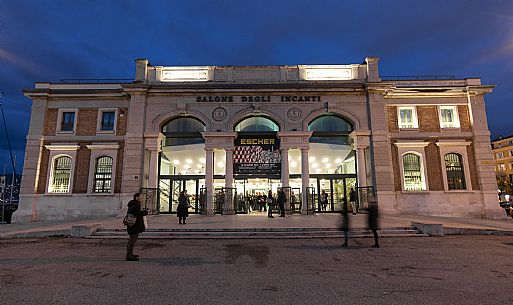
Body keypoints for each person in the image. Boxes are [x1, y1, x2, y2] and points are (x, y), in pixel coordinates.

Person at [126, 192, 148, 261]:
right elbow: (137, 214)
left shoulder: (133, 204)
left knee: (132, 240)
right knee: (132, 240)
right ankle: (129, 256)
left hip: (133, 225)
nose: (142, 198)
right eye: (141, 197)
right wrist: (145, 212)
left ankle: (130, 254)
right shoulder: (135, 205)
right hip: (134, 225)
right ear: (137, 197)